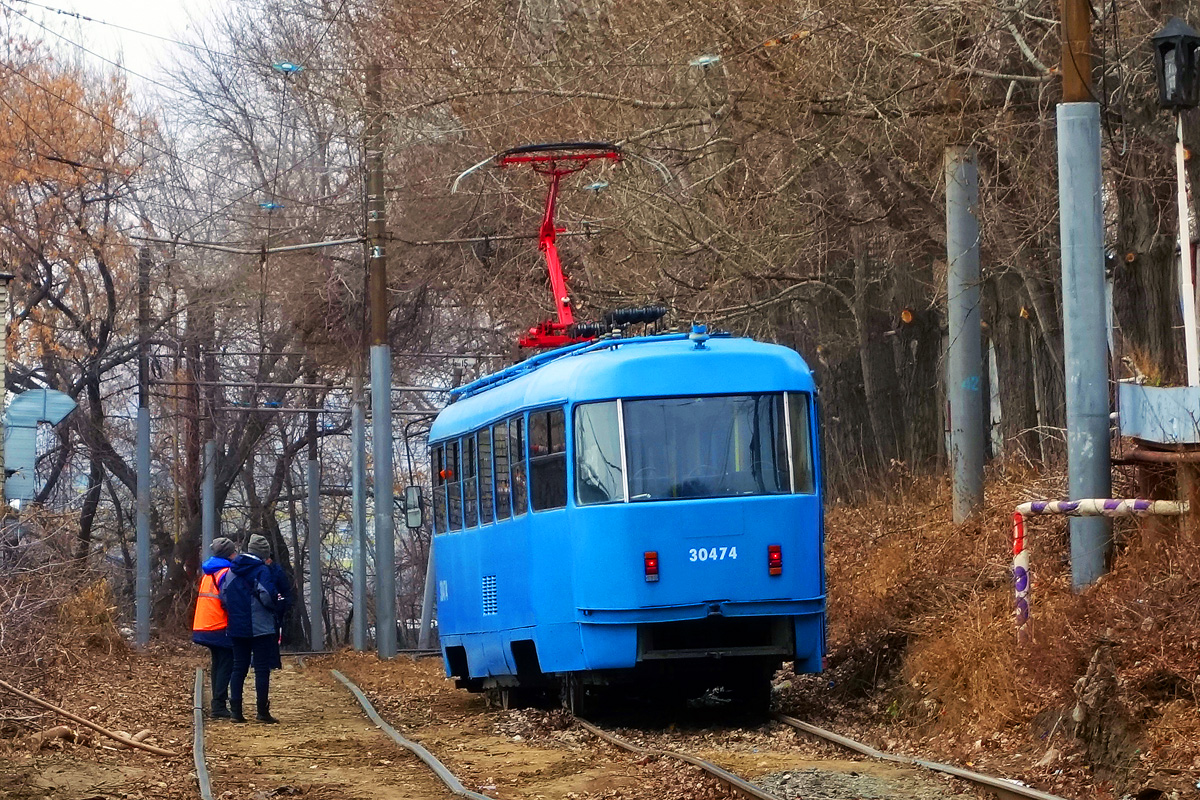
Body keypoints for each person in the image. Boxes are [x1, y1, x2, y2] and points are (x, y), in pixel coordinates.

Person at [220, 533, 281, 723]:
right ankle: (262, 712)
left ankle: (236, 712)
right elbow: (268, 595)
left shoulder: (231, 570)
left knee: (238, 667)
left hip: (237, 626)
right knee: (261, 669)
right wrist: (275, 609)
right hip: (260, 626)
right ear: (263, 553)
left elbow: (223, 596)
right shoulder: (262, 570)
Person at [191, 537, 237, 719]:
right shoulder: (226, 573)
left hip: (204, 625)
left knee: (218, 663)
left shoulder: (209, 572)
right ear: (229, 554)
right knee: (226, 664)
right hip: (219, 625)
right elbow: (228, 600)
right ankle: (218, 706)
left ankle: (217, 703)